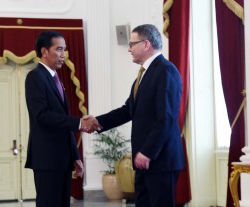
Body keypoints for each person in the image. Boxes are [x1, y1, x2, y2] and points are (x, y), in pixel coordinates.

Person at [92, 24, 185, 206]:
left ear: (146, 44)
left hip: (159, 160)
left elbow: (166, 118)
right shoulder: (144, 74)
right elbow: (128, 110)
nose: (129, 49)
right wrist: (97, 122)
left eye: (132, 44)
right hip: (145, 160)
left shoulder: (165, 70)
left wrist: (148, 152)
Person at [25, 30, 100, 207]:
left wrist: (75, 155)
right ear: (44, 51)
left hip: (62, 159)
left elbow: (62, 121)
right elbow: (42, 115)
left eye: (64, 50)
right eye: (59, 49)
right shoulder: (35, 77)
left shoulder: (55, 78)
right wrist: (80, 123)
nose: (63, 55)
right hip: (47, 159)